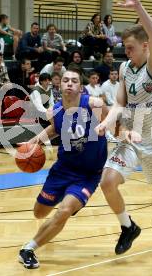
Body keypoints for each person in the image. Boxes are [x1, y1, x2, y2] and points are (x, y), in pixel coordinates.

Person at [95, 0, 152, 255]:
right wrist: (107, 122)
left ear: (144, 46)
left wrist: (139, 6)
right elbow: (120, 103)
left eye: (130, 48)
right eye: (124, 48)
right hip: (130, 137)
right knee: (107, 182)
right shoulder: (125, 68)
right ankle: (128, 226)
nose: (126, 52)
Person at [18, 68, 108, 269]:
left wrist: (122, 138)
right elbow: (54, 129)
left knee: (65, 210)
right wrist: (33, 143)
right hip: (63, 170)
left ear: (80, 87)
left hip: (88, 175)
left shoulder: (94, 105)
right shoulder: (54, 111)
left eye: (74, 80)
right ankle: (65, 198)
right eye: (65, 80)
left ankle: (28, 249)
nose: (69, 83)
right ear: (60, 85)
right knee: (39, 213)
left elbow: (113, 122)